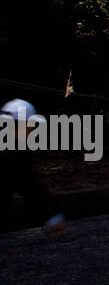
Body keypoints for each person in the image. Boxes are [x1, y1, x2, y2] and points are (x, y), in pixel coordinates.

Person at [1, 99, 67, 235]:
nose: (31, 131)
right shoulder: (12, 152)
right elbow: (28, 184)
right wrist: (52, 216)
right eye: (30, 126)